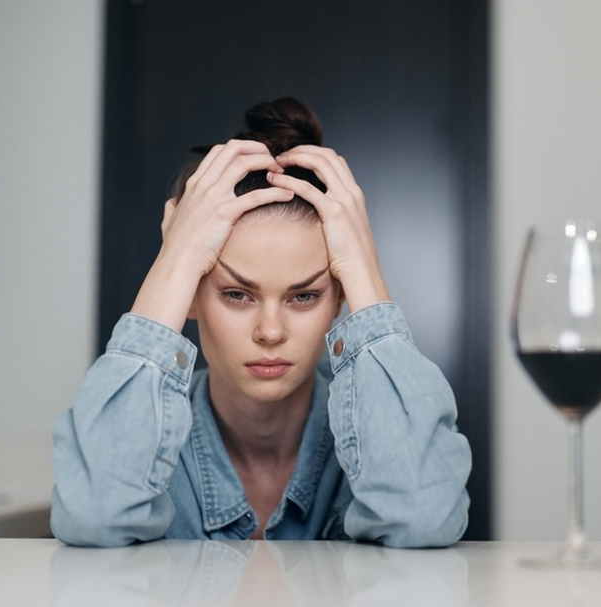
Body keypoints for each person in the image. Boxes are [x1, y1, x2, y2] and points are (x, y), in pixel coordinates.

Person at [51, 97, 471, 548]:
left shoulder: (373, 432)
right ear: (191, 294)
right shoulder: (149, 433)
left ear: (338, 300)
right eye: (236, 294)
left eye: (304, 296)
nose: (270, 331)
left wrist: (363, 270)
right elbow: (95, 514)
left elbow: (421, 518)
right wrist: (176, 260)